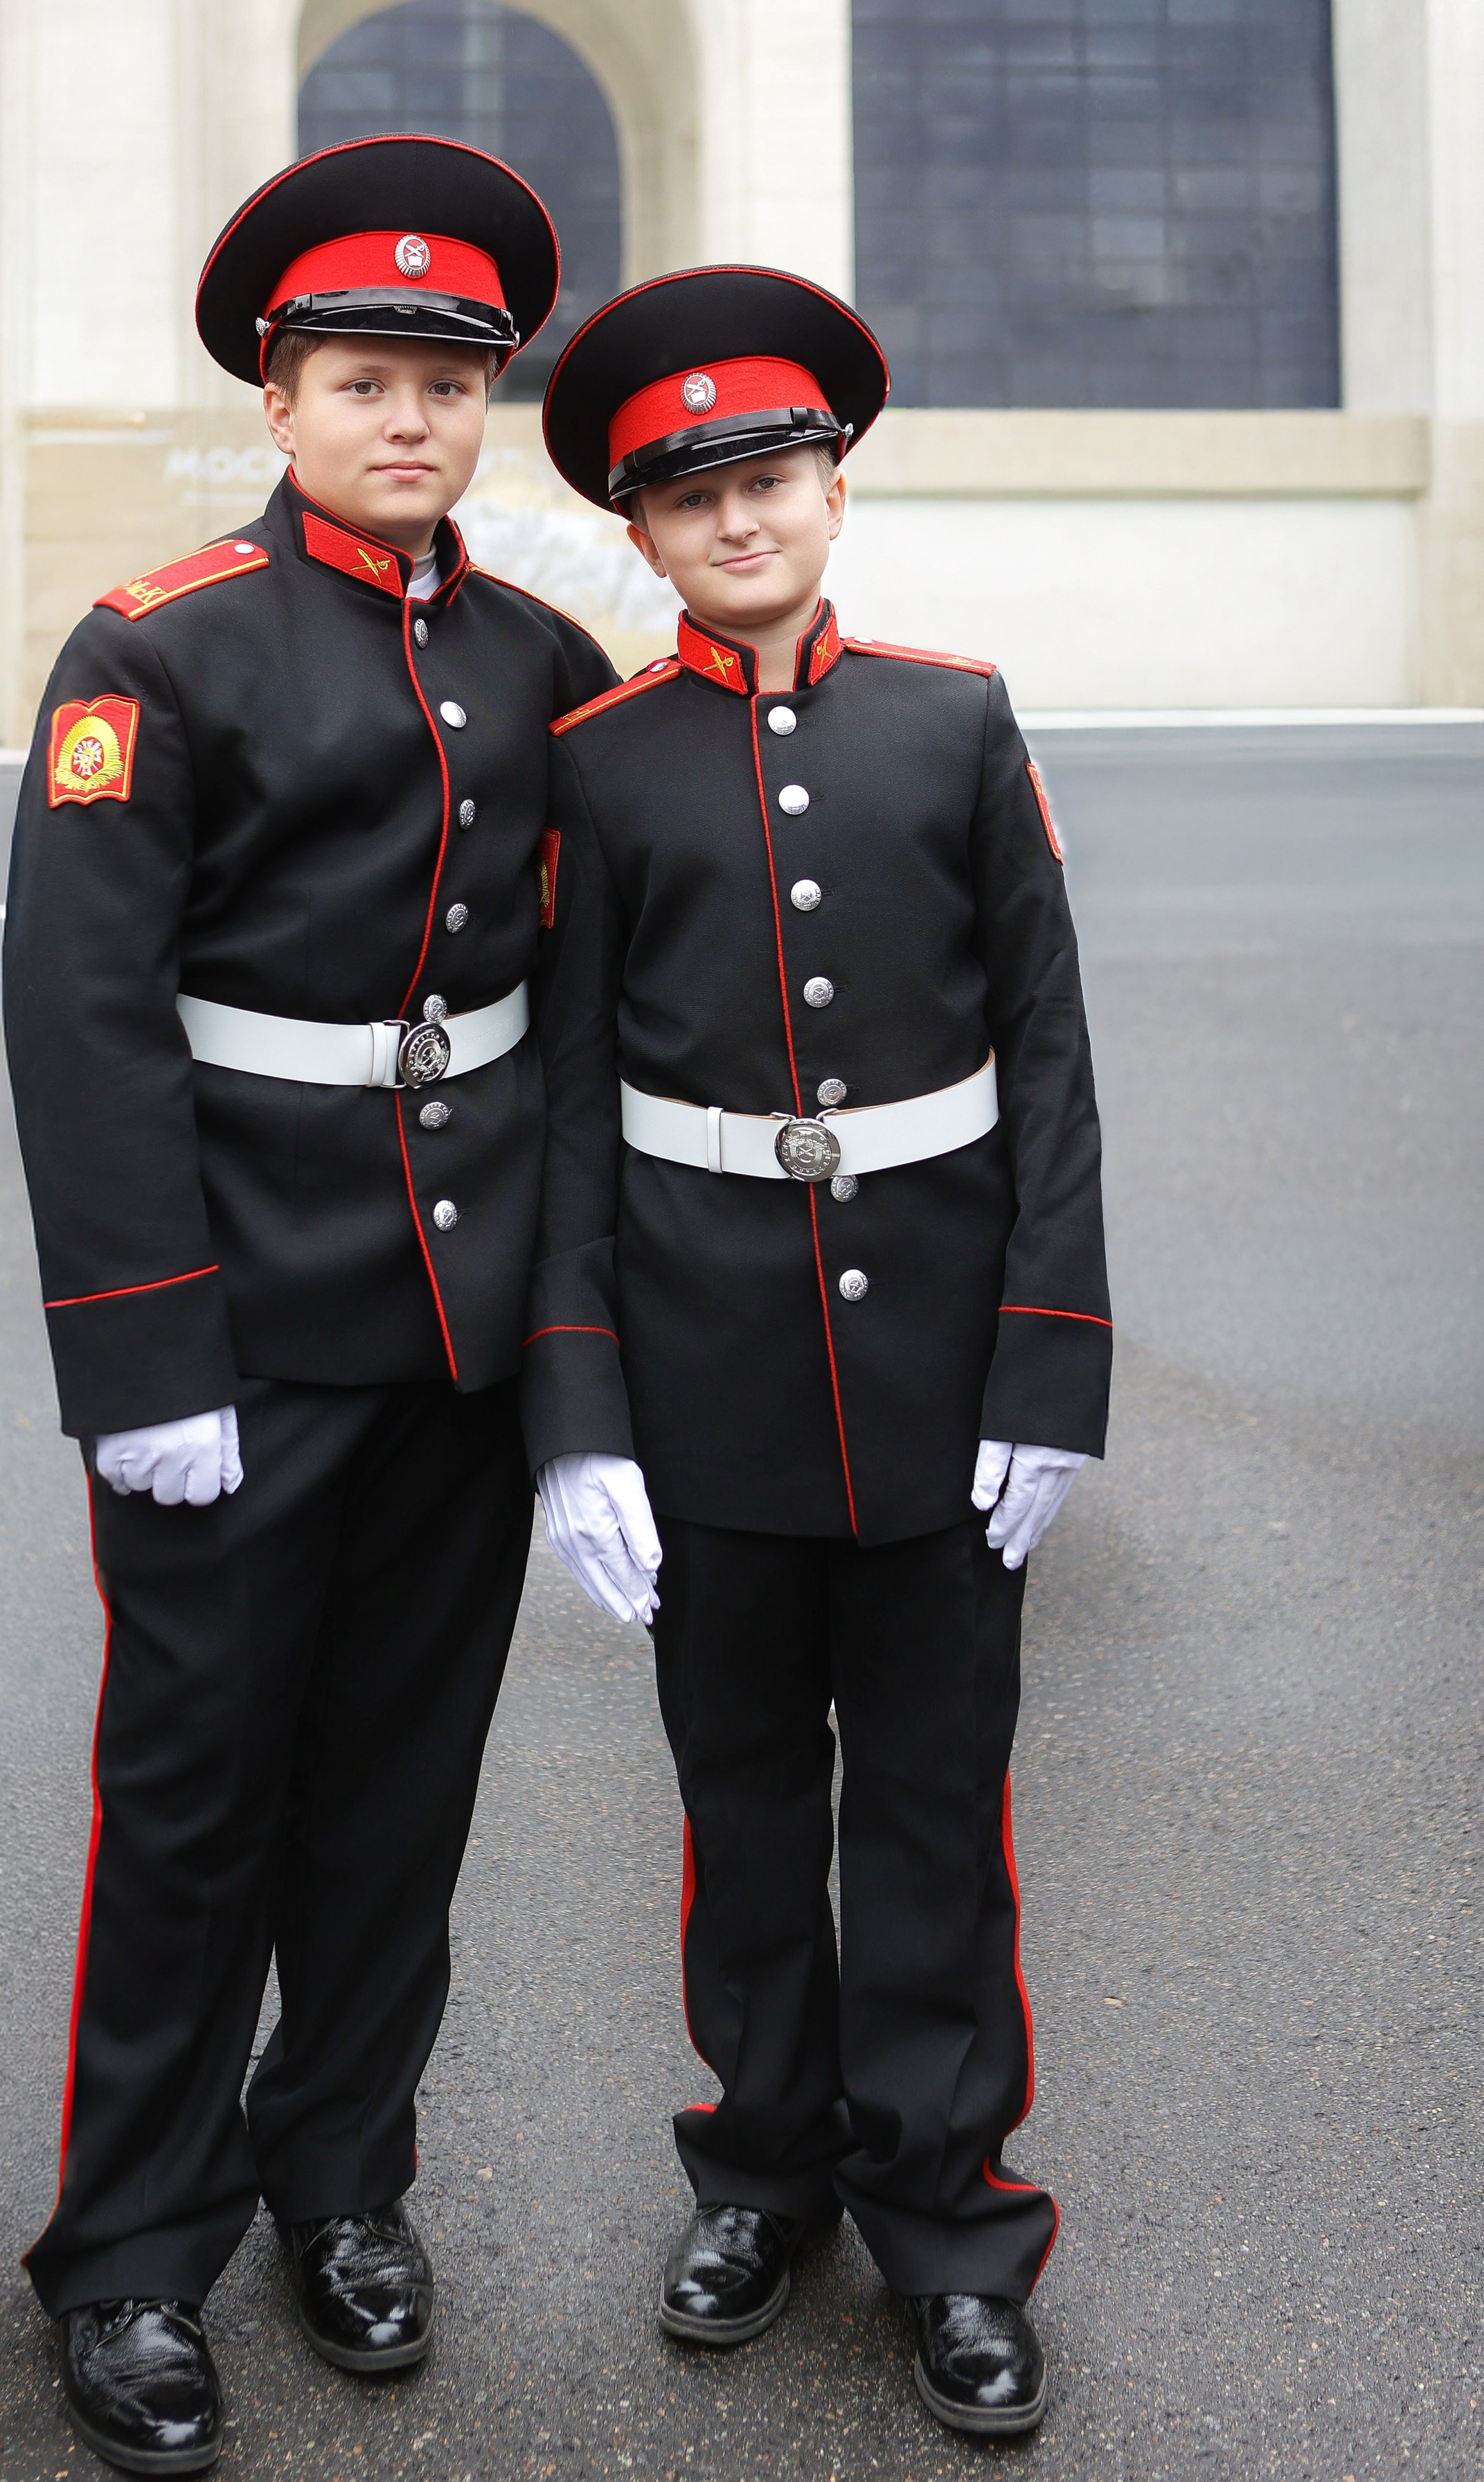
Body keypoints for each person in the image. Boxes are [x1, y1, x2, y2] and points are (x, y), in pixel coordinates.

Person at [1, 135, 614, 2476]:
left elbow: (559, 1034)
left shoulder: (540, 661)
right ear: (279, 398)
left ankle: (341, 2185)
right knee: (194, 1805)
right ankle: (133, 2251)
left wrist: (569, 1371)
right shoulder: (157, 648)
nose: (408, 423)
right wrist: (142, 1354)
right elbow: (84, 1021)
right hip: (238, 1339)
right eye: (362, 380)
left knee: (393, 1801)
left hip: (451, 1344)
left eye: (447, 389)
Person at [524, 266, 1111, 2441]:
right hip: (708, 1383)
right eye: (692, 497)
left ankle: (952, 2222)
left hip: (953, 1375)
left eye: (771, 474)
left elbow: (1047, 1061)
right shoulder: (596, 765)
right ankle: (765, 2168)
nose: (740, 517)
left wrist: (1052, 1363)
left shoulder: (956, 719)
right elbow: (563, 1105)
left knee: (941, 1818)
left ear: (832, 487)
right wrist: (581, 1416)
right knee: (747, 1811)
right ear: (642, 535)